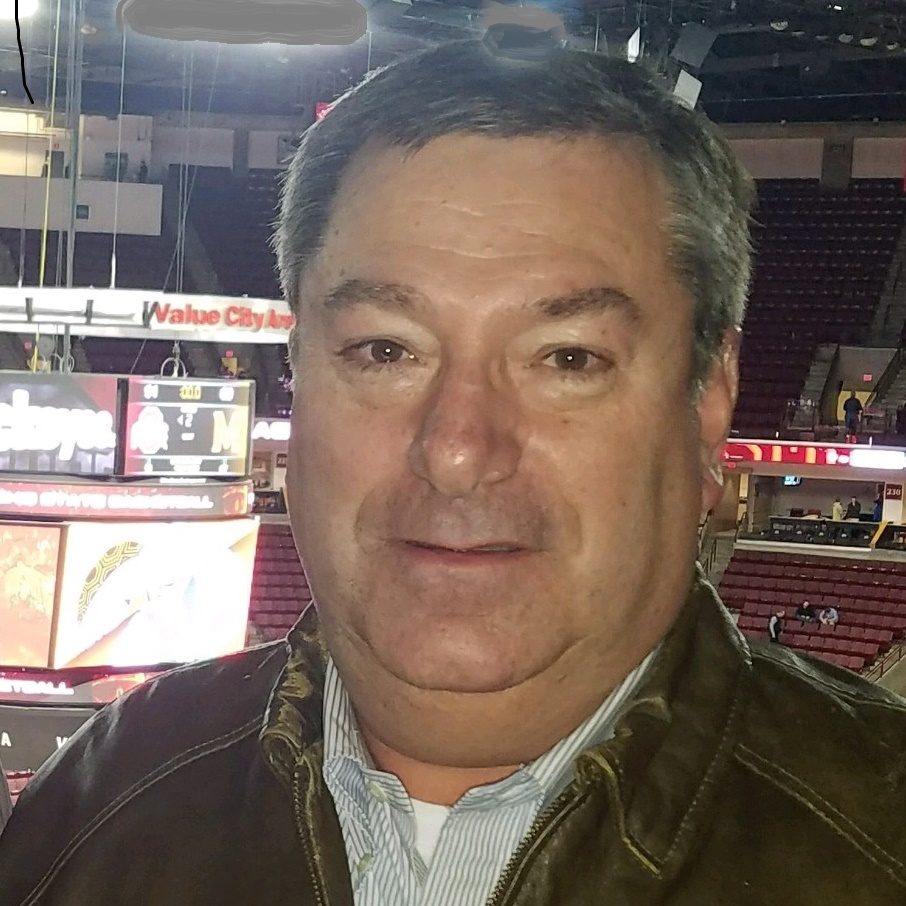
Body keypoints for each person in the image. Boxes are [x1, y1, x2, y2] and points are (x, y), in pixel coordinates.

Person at [3, 30, 906, 906]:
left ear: (706, 401)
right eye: (386, 351)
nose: (457, 449)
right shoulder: (92, 807)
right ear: (301, 375)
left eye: (567, 358)